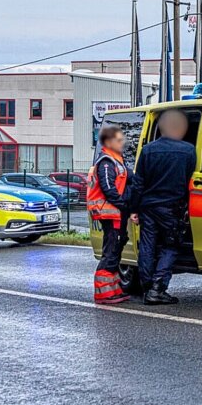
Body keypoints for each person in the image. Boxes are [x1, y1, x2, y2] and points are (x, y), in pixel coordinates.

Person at [132, 109, 196, 305]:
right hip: (172, 207)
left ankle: (146, 287)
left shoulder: (148, 150)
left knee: (147, 246)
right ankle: (157, 288)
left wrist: (134, 209)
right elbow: (189, 180)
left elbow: (138, 182)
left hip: (148, 207)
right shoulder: (188, 150)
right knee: (171, 246)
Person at [86, 125, 133, 304]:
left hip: (116, 213)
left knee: (116, 248)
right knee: (111, 251)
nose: (123, 143)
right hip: (110, 213)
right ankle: (103, 293)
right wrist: (124, 206)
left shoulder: (117, 160)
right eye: (119, 140)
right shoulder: (106, 162)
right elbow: (109, 190)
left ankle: (113, 289)